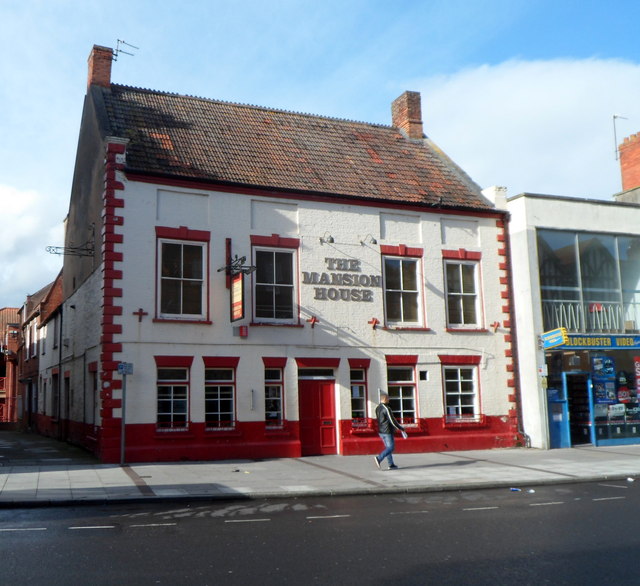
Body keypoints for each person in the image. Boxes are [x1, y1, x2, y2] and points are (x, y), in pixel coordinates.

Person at [374, 392, 405, 470]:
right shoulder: (386, 408)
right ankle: (379, 458)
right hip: (387, 431)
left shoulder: (378, 408)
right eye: (388, 398)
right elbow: (392, 420)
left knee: (387, 448)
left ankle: (391, 464)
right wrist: (400, 428)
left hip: (381, 431)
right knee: (391, 448)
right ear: (384, 399)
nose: (389, 399)